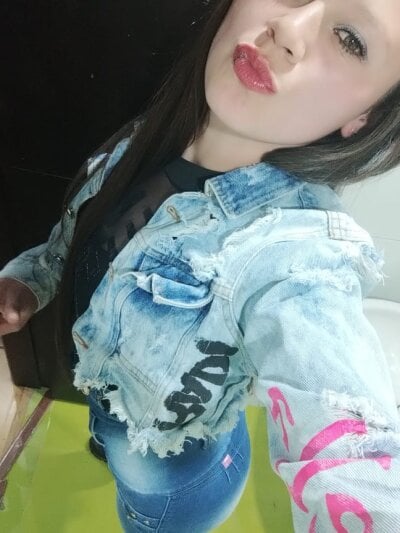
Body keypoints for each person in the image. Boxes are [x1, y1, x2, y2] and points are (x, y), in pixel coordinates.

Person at [1, 0, 400, 530]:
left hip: (168, 489)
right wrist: (33, 278)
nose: (287, 29)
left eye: (349, 39)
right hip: (108, 403)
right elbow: (84, 237)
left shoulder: (295, 251)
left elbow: (356, 457)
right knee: (110, 436)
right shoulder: (152, 133)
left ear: (363, 118)